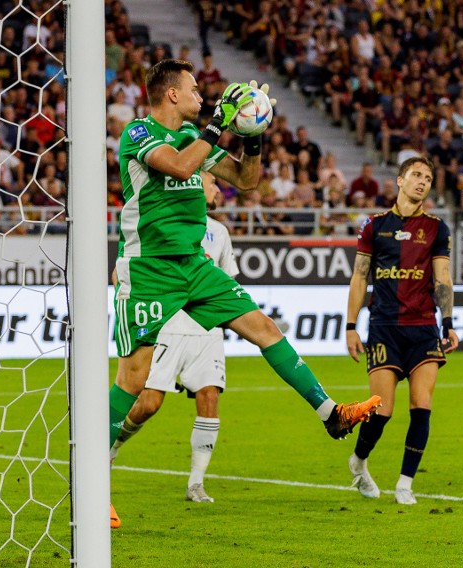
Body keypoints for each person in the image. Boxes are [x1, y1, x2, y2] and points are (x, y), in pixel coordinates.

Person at [109, 59, 382, 524]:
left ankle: (330, 413)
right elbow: (177, 167)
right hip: (148, 267)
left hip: (194, 264)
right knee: (135, 381)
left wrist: (252, 133)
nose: (202, 97)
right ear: (172, 94)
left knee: (264, 328)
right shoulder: (138, 133)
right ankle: (93, 474)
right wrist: (219, 123)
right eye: (195, 90)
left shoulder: (198, 142)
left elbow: (247, 179)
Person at [110, 172, 236, 505]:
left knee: (209, 396)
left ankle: (196, 483)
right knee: (148, 403)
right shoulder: (164, 221)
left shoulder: (220, 233)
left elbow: (228, 281)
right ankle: (114, 444)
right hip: (167, 323)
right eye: (212, 183)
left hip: (207, 328)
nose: (216, 190)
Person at [344, 156, 459, 506]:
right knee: (382, 411)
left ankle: (405, 483)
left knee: (421, 405)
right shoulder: (375, 226)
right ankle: (359, 461)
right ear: (400, 180)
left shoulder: (437, 229)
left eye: (428, 177)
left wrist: (449, 322)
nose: (423, 181)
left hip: (423, 327)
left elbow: (442, 277)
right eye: (416, 175)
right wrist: (351, 326)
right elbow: (360, 277)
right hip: (384, 328)